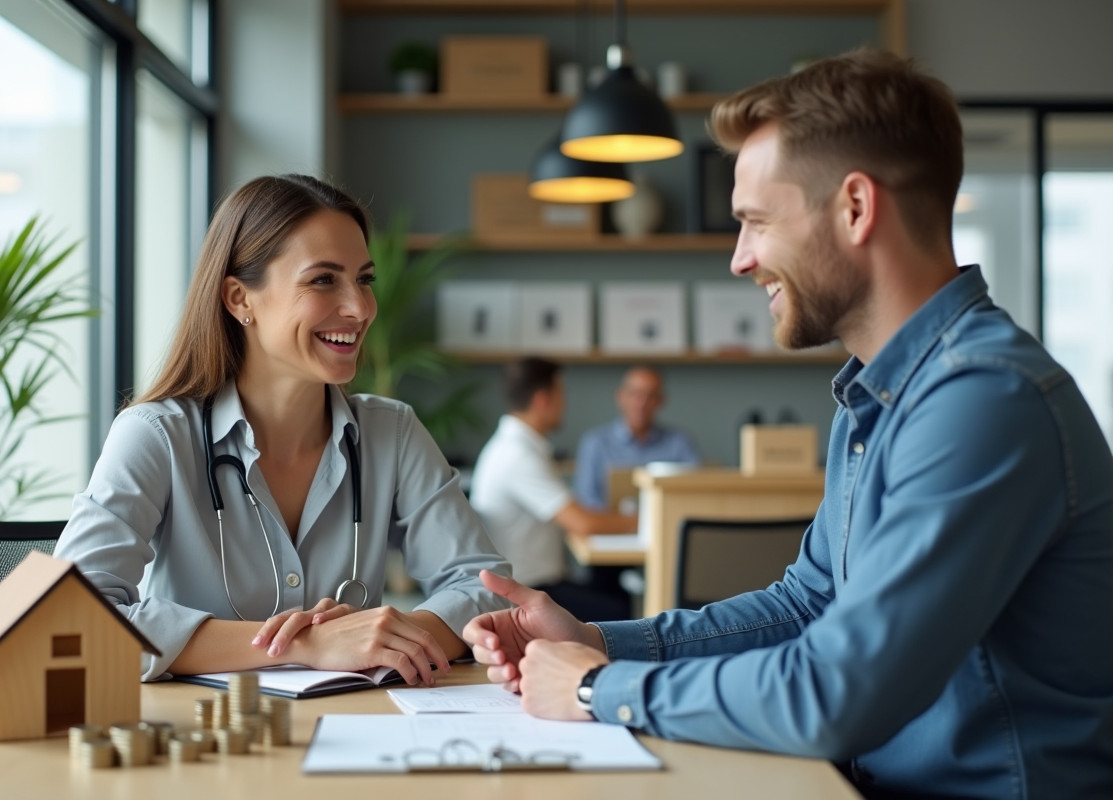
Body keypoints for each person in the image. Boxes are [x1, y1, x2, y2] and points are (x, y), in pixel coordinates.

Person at [463, 49, 1113, 800]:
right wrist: (597, 640)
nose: (739, 260)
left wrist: (597, 688)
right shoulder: (882, 396)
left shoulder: (983, 402)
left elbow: (837, 694)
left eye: (757, 222)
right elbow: (804, 607)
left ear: (857, 208)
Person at [54, 174, 512, 684]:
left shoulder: (392, 433)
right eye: (323, 280)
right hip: (206, 742)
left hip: (353, 732)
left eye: (364, 279)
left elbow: (487, 588)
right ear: (238, 299)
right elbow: (74, 617)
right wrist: (304, 645)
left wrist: (388, 634)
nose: (360, 308)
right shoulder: (156, 435)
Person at [469, 358, 637, 622]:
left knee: (613, 586)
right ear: (542, 400)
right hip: (527, 591)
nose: (565, 405)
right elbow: (583, 522)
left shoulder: (514, 446)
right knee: (626, 610)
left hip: (534, 583)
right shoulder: (517, 455)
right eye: (562, 396)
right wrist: (646, 520)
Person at [573, 366, 700, 511]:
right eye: (635, 394)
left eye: (650, 396)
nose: (641, 403)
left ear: (661, 400)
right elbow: (587, 501)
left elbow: (694, 495)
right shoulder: (595, 443)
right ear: (620, 396)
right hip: (611, 530)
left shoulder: (680, 443)